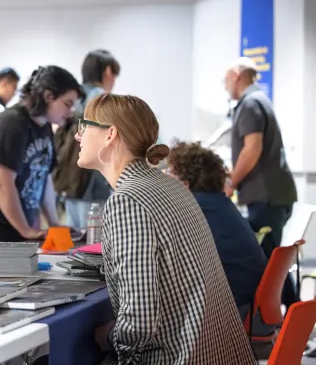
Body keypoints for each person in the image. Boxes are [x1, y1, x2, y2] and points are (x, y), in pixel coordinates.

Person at [78, 94, 255, 364]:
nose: (78, 137)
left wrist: (109, 339)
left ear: (110, 134)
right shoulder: (170, 185)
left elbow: (139, 321)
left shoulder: (127, 200)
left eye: (84, 126)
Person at [0, 66, 82, 259]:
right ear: (49, 96)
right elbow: (1, 182)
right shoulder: (11, 124)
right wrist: (25, 229)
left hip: (13, 220)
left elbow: (44, 178)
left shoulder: (44, 126)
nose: (70, 111)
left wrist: (54, 224)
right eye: (67, 103)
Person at [167, 140, 267, 316]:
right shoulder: (221, 204)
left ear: (184, 184)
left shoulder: (191, 209)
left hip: (225, 313)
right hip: (249, 305)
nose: (164, 177)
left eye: (170, 173)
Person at [224, 57, 297, 259]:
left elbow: (252, 150)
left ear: (237, 76)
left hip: (266, 198)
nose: (225, 86)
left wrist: (231, 183)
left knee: (264, 261)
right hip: (272, 196)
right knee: (269, 259)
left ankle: (282, 293)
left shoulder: (250, 104)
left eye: (226, 80)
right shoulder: (260, 100)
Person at [56, 49, 120, 231]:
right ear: (107, 71)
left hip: (69, 179)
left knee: (74, 240)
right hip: (92, 182)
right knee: (94, 242)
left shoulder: (75, 96)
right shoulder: (100, 97)